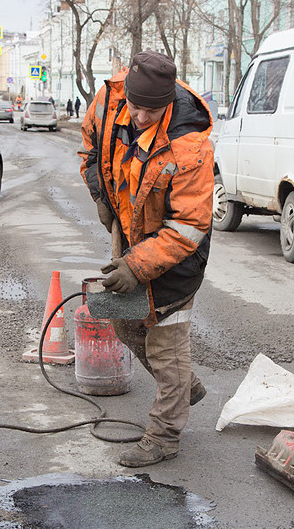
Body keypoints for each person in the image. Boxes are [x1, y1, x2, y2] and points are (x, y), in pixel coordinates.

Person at [78, 50, 213, 467]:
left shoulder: (190, 147)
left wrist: (137, 266)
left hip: (175, 256)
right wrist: (100, 195)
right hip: (129, 234)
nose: (138, 118)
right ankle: (185, 386)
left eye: (150, 112)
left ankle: (164, 436)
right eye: (134, 108)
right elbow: (90, 149)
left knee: (166, 345)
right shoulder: (110, 99)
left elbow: (188, 226)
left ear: (167, 103)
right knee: (124, 326)